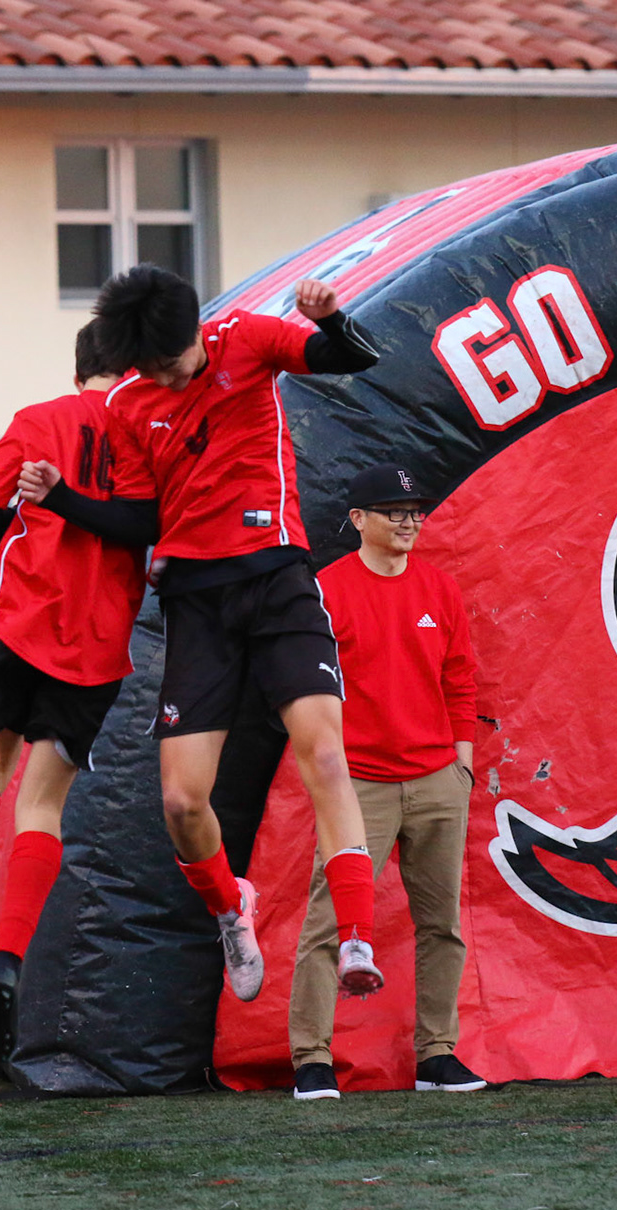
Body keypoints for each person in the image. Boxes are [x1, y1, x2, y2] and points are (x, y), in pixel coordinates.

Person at [91, 265, 383, 1005]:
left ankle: (356, 936)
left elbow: (351, 358)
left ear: (197, 330)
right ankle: (230, 909)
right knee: (181, 803)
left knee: (326, 755)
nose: (168, 377)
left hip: (278, 579)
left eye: (174, 360)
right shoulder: (128, 405)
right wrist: (61, 500)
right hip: (196, 604)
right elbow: (138, 516)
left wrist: (329, 317)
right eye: (152, 369)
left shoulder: (247, 339)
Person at [0, 324, 156, 1061]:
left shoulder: (38, 420)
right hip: (95, 641)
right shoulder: (144, 433)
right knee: (43, 804)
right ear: (133, 368)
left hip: (21, 621)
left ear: (80, 368)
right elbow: (147, 525)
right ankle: (6, 963)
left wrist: (32, 502)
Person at [289, 464, 483, 1100]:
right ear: (357, 520)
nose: (408, 521)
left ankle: (437, 1055)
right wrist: (332, 773)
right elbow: (304, 686)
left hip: (437, 781)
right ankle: (312, 1060)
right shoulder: (326, 590)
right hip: (357, 786)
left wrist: (460, 766)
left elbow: (459, 678)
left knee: (442, 925)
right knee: (331, 926)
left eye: (415, 511)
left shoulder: (439, 588)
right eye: (393, 510)